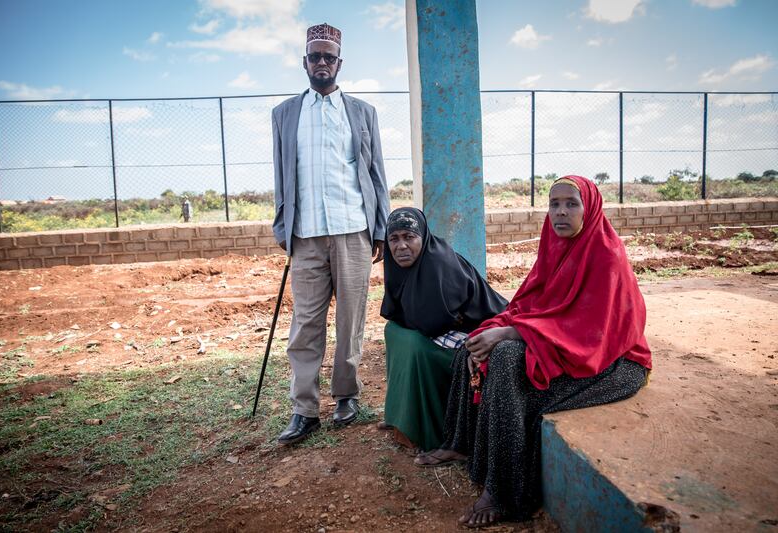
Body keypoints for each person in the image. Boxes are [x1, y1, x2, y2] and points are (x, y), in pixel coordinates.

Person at [416, 175, 652, 528]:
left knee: (511, 360)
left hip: (611, 362)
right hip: (567, 347)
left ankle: (505, 494)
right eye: (554, 204)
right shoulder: (554, 246)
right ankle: (460, 441)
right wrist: (497, 328)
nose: (561, 212)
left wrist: (514, 332)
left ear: (590, 208)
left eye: (571, 203)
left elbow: (592, 331)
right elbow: (532, 304)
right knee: (476, 344)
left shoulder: (607, 254)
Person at [271, 23, 390, 445]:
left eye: (329, 57)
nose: (322, 63)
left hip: (352, 229)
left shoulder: (362, 113)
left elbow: (376, 173)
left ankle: (346, 395)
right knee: (305, 323)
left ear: (339, 63)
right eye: (315, 56)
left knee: (351, 317)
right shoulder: (285, 114)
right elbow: (282, 173)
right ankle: (304, 409)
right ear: (305, 62)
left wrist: (381, 227)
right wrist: (282, 224)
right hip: (305, 235)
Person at [379, 207, 507, 452]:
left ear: (423, 237)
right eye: (394, 239)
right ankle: (402, 416)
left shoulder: (438, 263)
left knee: (416, 346)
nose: (401, 246)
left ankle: (433, 431)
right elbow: (398, 313)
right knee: (394, 331)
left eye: (409, 237)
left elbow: (433, 322)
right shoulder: (399, 266)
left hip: (482, 336)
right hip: (444, 331)